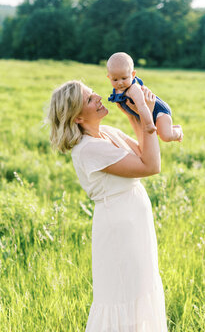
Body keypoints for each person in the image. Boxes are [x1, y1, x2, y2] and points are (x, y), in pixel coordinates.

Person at [48, 80, 168, 331]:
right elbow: (151, 166)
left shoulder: (108, 132)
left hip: (135, 221)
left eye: (93, 93)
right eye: (90, 99)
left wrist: (133, 114)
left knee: (140, 289)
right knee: (124, 295)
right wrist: (146, 115)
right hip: (119, 229)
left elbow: (144, 153)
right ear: (78, 117)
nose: (100, 97)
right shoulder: (89, 149)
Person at [107, 52, 183, 143]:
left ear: (133, 75)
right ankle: (168, 128)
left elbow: (143, 106)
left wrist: (149, 124)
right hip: (147, 115)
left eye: (124, 78)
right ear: (109, 77)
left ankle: (178, 131)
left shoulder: (133, 89)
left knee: (166, 136)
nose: (120, 83)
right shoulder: (117, 90)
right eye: (115, 79)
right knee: (159, 131)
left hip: (159, 112)